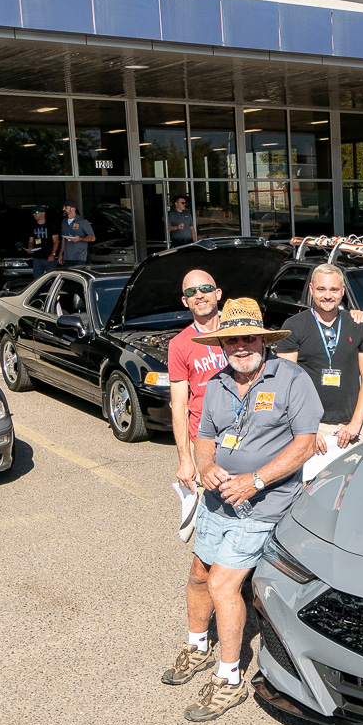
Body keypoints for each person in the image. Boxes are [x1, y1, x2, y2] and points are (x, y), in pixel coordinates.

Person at [186, 298, 320, 722]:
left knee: (224, 585)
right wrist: (206, 466)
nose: (240, 346)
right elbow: (205, 435)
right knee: (198, 573)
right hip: (216, 499)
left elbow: (305, 443)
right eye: (232, 339)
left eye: (248, 337)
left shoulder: (292, 378)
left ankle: (229, 679)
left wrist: (257, 480)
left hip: (265, 503)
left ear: (263, 339)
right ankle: (196, 646)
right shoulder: (217, 382)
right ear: (222, 344)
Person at [163, 270, 229, 692]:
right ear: (185, 300)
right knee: (204, 554)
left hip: (245, 452)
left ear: (218, 294)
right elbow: (179, 402)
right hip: (204, 455)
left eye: (206, 289)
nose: (200, 296)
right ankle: (198, 642)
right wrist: (184, 458)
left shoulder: (241, 330)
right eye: (191, 292)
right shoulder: (180, 344)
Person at [278, 263, 363, 481]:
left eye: (333, 290)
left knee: (350, 488)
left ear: (342, 290)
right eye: (321, 289)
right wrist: (304, 430)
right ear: (311, 289)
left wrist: (356, 423)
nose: (327, 295)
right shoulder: (294, 326)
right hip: (311, 428)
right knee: (309, 491)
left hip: (350, 426)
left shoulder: (358, 325)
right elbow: (285, 383)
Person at [57, 201, 95, 266]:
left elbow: (93, 237)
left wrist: (80, 239)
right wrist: (61, 253)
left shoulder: (82, 222)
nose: (63, 209)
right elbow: (63, 238)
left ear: (73, 209)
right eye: (63, 207)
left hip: (79, 257)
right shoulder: (64, 222)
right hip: (67, 257)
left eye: (66, 207)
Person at [24, 206, 56, 278]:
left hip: (48, 258)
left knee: (52, 278)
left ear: (43, 213)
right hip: (37, 258)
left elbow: (56, 241)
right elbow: (31, 241)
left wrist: (53, 254)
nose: (34, 214)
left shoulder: (51, 226)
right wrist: (30, 247)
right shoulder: (33, 226)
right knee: (37, 279)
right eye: (33, 213)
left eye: (36, 212)